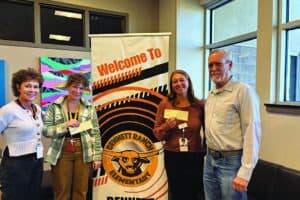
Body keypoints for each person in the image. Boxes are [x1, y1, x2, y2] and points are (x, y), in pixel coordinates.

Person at [204, 49, 261, 200]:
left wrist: (245, 172)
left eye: (218, 64)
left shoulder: (243, 91)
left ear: (230, 65)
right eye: (210, 65)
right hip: (210, 160)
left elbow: (252, 131)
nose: (213, 69)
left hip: (231, 163)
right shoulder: (211, 94)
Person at [42, 73, 102, 200]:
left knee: (81, 191)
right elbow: (46, 131)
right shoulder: (55, 106)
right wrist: (65, 125)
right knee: (61, 190)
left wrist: (97, 156)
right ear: (68, 87)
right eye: (75, 87)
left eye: (81, 88)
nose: (78, 91)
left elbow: (95, 132)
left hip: (84, 151)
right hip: (61, 151)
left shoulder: (89, 107)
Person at [153, 69, 206, 200]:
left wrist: (205, 149)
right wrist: (166, 126)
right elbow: (157, 133)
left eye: (182, 80)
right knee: (176, 192)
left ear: (188, 82)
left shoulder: (199, 105)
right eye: (175, 81)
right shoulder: (165, 104)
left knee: (195, 191)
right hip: (173, 156)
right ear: (171, 85)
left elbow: (208, 130)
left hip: (195, 155)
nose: (178, 84)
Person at [0, 68, 44, 200]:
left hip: (37, 160)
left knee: (33, 195)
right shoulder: (8, 110)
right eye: (28, 86)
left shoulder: (36, 108)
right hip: (15, 163)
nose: (32, 90)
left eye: (36, 86)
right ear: (18, 87)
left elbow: (37, 131)